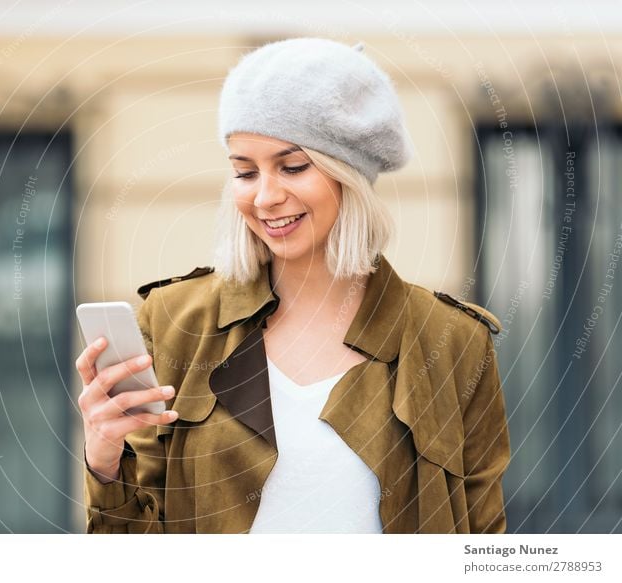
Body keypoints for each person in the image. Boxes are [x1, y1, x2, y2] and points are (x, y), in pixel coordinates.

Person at [76, 37, 511, 534]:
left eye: (293, 167)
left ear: (349, 173)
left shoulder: (452, 341)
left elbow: (483, 541)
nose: (265, 197)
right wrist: (104, 461)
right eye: (244, 171)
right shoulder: (176, 323)